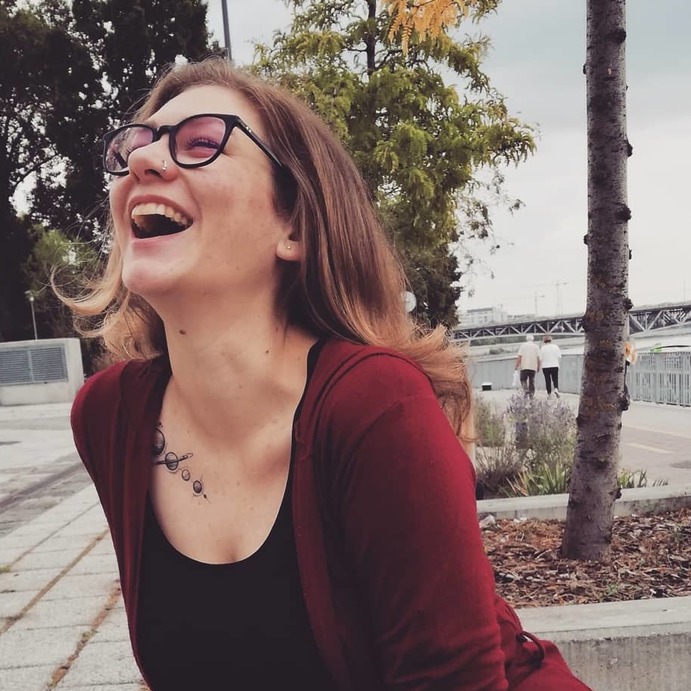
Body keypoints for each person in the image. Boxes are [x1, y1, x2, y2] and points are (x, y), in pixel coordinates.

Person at [63, 58, 591, 690]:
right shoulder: (109, 416)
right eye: (132, 147)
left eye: (201, 142)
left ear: (294, 226)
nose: (144, 162)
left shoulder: (374, 406)